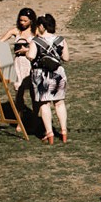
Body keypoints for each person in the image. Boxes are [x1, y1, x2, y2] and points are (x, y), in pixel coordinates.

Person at [29, 12, 69, 144]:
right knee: (59, 103)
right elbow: (66, 58)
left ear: (41, 26)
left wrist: (26, 51)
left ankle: (50, 134)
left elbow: (31, 56)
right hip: (58, 73)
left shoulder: (36, 41)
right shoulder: (61, 39)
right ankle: (63, 132)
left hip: (41, 75)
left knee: (44, 104)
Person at [4, 7, 37, 118]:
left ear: (31, 20)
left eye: (25, 21)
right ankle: (20, 117)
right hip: (18, 63)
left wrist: (27, 50)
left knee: (33, 91)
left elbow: (43, 46)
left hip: (31, 62)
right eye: (20, 20)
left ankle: (35, 117)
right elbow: (0, 41)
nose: (22, 23)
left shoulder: (35, 32)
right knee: (19, 91)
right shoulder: (16, 31)